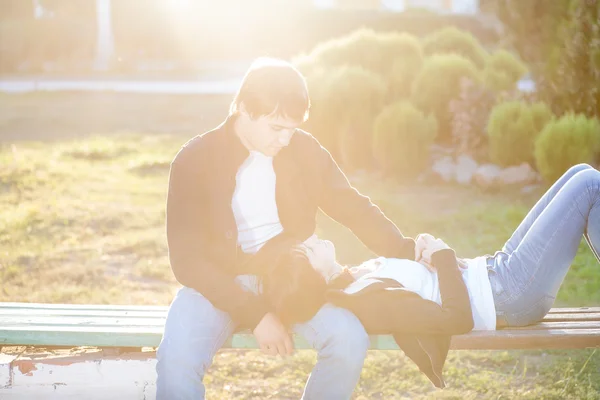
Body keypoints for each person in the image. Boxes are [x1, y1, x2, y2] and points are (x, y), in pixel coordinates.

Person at [156, 57, 416, 399]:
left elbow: (353, 207)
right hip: (215, 283)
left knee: (348, 340)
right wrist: (256, 313)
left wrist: (406, 252)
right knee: (175, 361)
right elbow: (187, 263)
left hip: (290, 276)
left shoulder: (304, 150)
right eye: (276, 127)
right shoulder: (194, 159)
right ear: (244, 109)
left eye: (292, 128)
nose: (285, 139)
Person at [256, 163, 600, 387]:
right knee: (588, 185)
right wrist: (442, 255)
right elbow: (457, 318)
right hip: (509, 294)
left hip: (496, 270)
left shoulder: (357, 279)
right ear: (315, 277)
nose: (314, 240)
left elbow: (423, 283)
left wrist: (424, 250)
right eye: (309, 251)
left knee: (579, 172)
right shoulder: (370, 300)